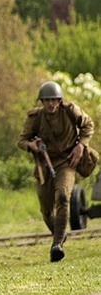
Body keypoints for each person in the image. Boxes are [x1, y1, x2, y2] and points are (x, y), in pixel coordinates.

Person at [17, 81, 95, 262]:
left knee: (62, 196)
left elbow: (88, 124)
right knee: (46, 210)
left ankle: (57, 244)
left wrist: (81, 146)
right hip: (45, 165)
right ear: (42, 102)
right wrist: (32, 145)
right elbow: (21, 140)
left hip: (67, 162)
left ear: (60, 101)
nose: (50, 104)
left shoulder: (70, 110)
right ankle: (59, 233)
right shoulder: (35, 118)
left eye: (54, 100)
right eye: (47, 100)